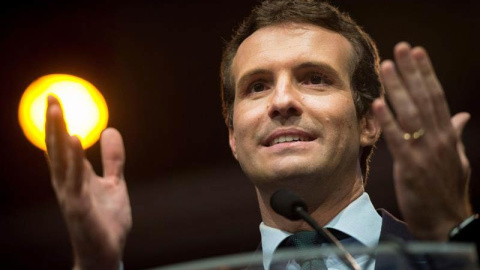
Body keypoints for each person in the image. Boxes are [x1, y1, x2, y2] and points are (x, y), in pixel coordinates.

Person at [44, 0, 474, 269]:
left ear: (368, 123)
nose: (281, 101)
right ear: (233, 137)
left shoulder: (446, 250)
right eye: (257, 86)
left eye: (314, 79)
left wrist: (452, 235)